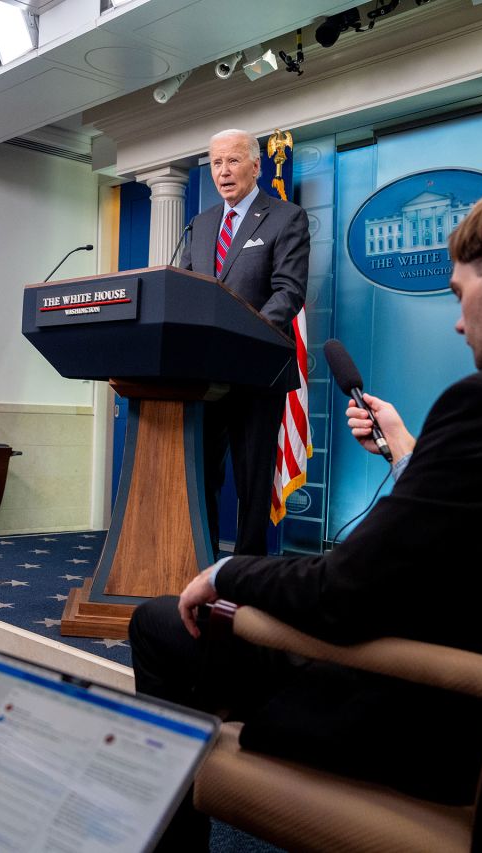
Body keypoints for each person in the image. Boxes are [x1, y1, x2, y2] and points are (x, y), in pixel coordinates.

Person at [134, 178, 482, 848]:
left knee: (165, 621)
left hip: (435, 720)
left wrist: (226, 572)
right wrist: (407, 453)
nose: (460, 322)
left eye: (460, 295)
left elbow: (341, 594)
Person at [180, 128, 309, 557]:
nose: (223, 171)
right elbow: (185, 294)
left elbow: (288, 292)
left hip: (257, 373)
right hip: (204, 376)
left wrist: (237, 338)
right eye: (216, 163)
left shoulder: (286, 217)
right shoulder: (199, 226)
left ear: (256, 166)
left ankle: (246, 574)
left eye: (233, 161)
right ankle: (204, 562)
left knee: (253, 481)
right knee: (203, 478)